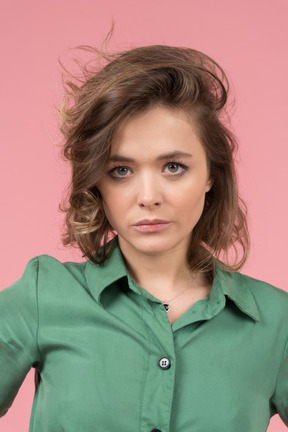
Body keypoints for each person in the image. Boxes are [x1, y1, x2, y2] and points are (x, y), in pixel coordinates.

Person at [0, 43, 287, 432]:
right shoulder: (43, 296)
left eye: (173, 166)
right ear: (96, 181)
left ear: (210, 175)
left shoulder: (275, 322)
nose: (148, 196)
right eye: (120, 170)